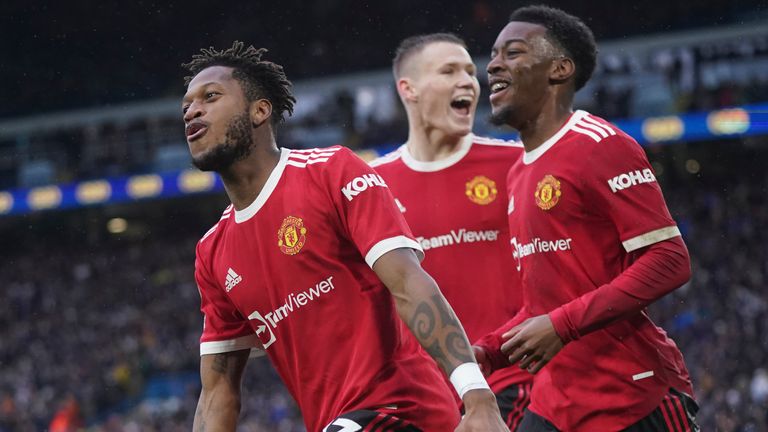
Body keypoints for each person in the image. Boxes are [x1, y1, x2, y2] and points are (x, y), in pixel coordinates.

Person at [181, 41, 509, 432]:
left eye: (210, 96)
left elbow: (409, 283)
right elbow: (218, 390)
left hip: (403, 409)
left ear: (260, 110)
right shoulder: (213, 252)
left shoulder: (331, 173)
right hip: (335, 423)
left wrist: (477, 397)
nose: (192, 111)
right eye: (186, 105)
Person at [473, 6, 700, 432]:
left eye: (513, 52)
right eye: (494, 53)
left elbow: (670, 258)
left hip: (633, 396)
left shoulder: (599, 145)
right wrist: (491, 351)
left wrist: (562, 324)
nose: (494, 65)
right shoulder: (518, 171)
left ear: (559, 69)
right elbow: (549, 300)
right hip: (557, 402)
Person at [371, 33, 532, 430]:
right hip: (426, 397)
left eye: (469, 72)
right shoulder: (371, 186)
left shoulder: (517, 163)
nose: (468, 81)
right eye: (448, 71)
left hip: (516, 379)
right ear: (407, 89)